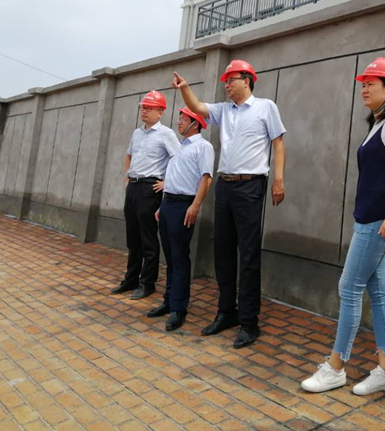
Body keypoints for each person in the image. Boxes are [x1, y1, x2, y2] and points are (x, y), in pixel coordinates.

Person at [301, 57, 385, 396]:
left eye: (372, 83)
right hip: (370, 220)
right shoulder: (378, 123)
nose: (364, 88)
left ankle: (336, 366)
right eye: (363, 83)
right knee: (378, 293)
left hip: (377, 223)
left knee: (348, 288)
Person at [172, 59, 286, 349]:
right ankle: (227, 312)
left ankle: (249, 322)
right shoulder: (224, 111)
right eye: (225, 81)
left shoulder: (266, 107)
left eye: (230, 80)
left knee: (248, 255)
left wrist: (278, 179)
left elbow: (278, 143)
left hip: (251, 186)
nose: (226, 85)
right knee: (222, 252)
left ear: (246, 80)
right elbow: (198, 107)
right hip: (225, 185)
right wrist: (184, 88)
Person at [146, 107, 214, 331]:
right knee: (170, 258)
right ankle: (168, 301)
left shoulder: (203, 147)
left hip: (184, 205)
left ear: (196, 123)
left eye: (183, 118)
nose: (179, 122)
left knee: (180, 257)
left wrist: (195, 205)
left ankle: (178, 308)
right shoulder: (180, 147)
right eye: (179, 118)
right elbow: (175, 177)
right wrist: (163, 205)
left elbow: (206, 178)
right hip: (168, 204)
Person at [110, 90, 180, 300]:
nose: (144, 111)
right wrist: (127, 177)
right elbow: (129, 155)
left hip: (150, 189)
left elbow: (179, 160)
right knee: (133, 237)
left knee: (148, 238)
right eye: (143, 107)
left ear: (160, 112)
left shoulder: (166, 134)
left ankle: (147, 283)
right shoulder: (137, 133)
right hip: (133, 187)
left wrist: (167, 182)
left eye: (149, 108)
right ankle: (131, 279)